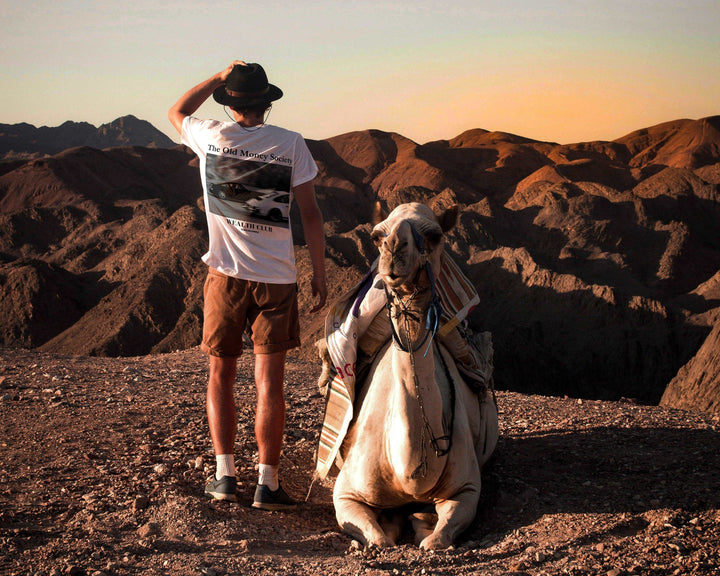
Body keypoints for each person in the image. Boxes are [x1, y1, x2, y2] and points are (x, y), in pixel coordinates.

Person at [169, 61, 327, 510]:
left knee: (221, 375)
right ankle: (268, 484)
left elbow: (176, 110)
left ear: (229, 102)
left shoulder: (211, 136)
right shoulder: (291, 144)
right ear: (268, 103)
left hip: (225, 275)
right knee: (269, 384)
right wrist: (318, 271)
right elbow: (311, 214)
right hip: (277, 278)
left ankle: (224, 477)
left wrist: (218, 76)